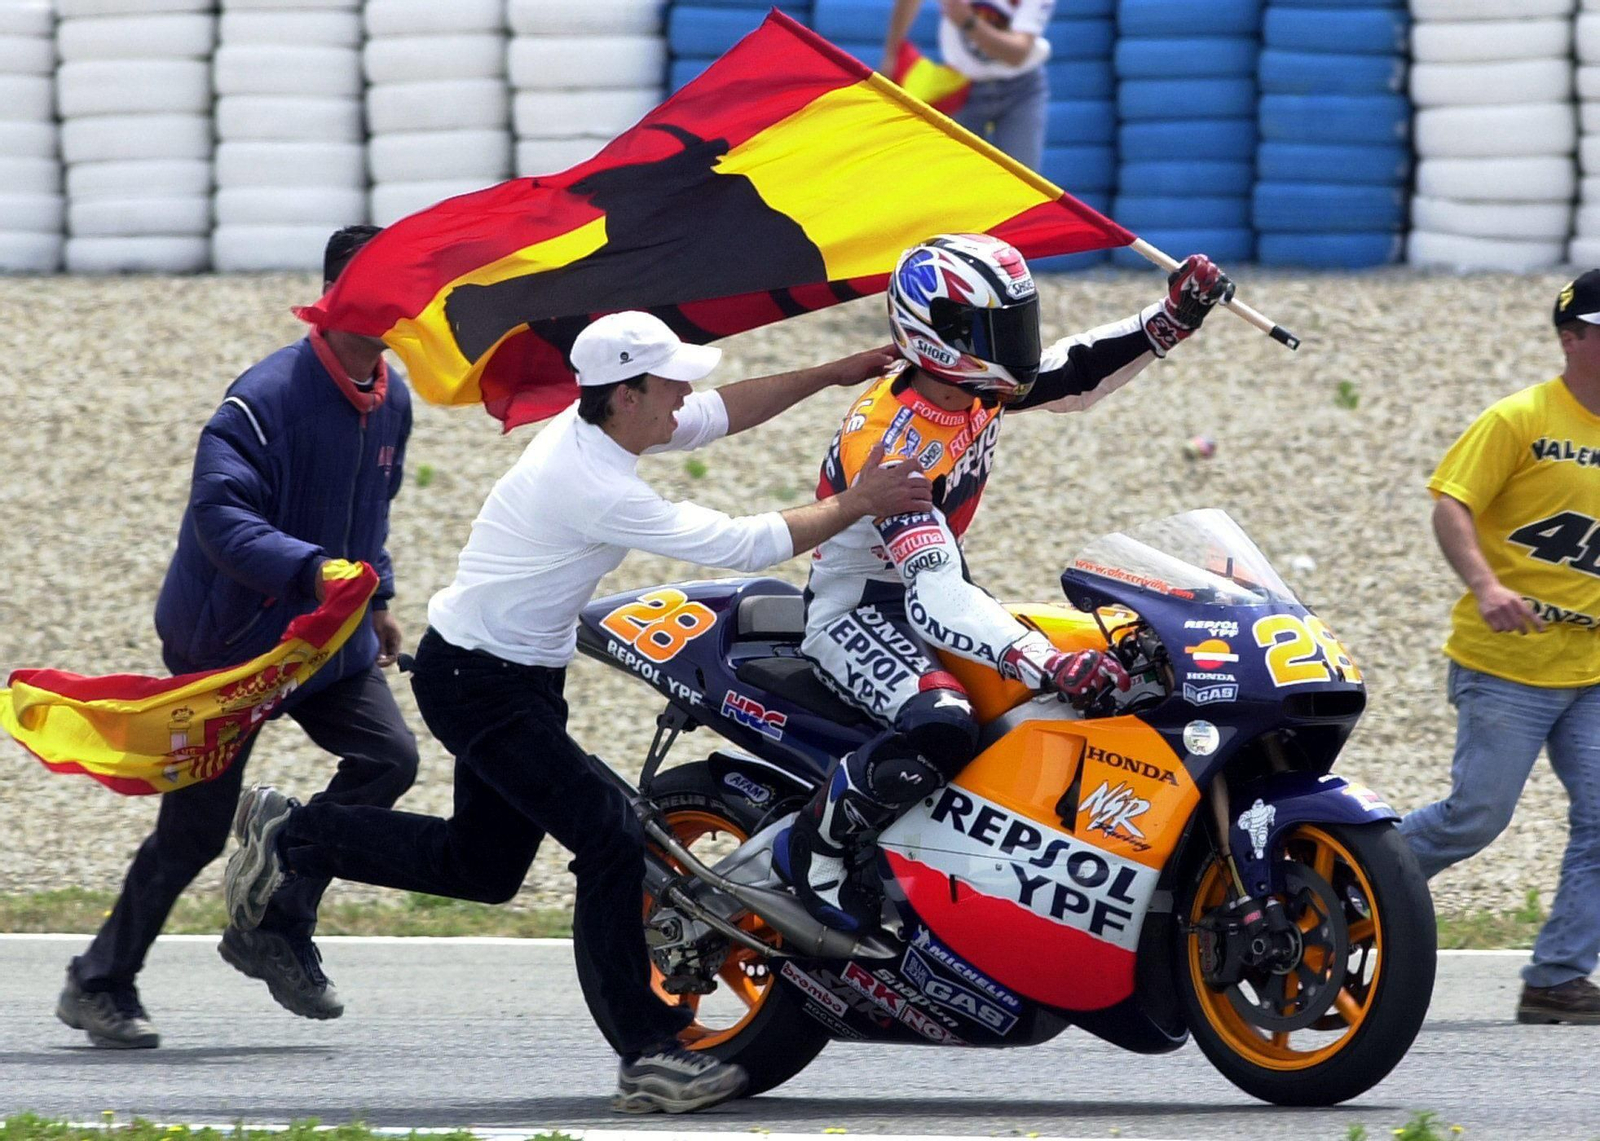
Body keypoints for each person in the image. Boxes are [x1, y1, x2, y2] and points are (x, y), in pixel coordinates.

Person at [222, 311, 932, 1113]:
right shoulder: (589, 481)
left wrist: (836, 370)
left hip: (507, 675)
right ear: (625, 394)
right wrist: (862, 499)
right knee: (611, 833)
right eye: (670, 385)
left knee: (481, 868)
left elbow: (723, 410)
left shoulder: (607, 425)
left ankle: (299, 832)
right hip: (477, 682)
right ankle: (648, 1054)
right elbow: (743, 543)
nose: (683, 398)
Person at [778, 232, 1235, 931]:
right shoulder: (892, 445)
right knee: (945, 724)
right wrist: (1046, 658)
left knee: (1113, 670)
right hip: (860, 612)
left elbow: (1076, 373)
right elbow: (934, 594)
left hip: (937, 590)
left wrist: (1172, 317)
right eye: (1002, 326)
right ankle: (816, 852)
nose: (1018, 343)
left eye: (1019, 321)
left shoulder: (973, 389)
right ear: (942, 335)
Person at [56, 225, 420, 1049]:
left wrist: (380, 594)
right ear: (342, 297)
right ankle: (99, 980)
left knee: (388, 759)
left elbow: (371, 510)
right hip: (231, 649)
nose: (412, 299)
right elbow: (220, 519)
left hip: (324, 636)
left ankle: (275, 920)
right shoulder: (264, 398)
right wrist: (314, 570)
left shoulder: (392, 396)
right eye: (394, 282)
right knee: (193, 829)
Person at [1399, 272, 1600, 1026]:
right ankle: (1349, 873)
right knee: (1476, 818)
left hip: (1592, 670)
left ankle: (1556, 979)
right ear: (1570, 338)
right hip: (1505, 666)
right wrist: (1485, 585)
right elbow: (1451, 503)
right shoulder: (1520, 419)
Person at [882, 0, 1056, 172]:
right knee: (955, 179)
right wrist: (891, 56)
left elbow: (1017, 54)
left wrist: (967, 21)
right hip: (963, 85)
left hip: (1021, 91)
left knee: (1023, 182)